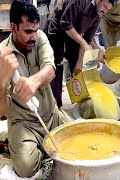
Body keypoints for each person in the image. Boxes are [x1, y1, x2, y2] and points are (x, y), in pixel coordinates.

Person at [0, 0, 73, 177]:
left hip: (51, 115)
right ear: (13, 27)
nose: (33, 36)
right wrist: (2, 82)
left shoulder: (39, 37)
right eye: (27, 31)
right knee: (25, 167)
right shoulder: (2, 54)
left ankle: (40, 146)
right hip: (23, 123)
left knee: (79, 139)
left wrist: (33, 81)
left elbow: (50, 69)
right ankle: (21, 144)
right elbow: (2, 111)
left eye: (35, 30)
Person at [44, 0, 115, 108]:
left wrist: (79, 64)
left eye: (108, 9)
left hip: (73, 34)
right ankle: (55, 105)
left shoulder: (98, 16)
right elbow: (65, 22)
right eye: (105, 6)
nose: (105, 11)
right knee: (56, 64)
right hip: (57, 28)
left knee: (77, 67)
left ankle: (81, 103)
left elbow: (87, 39)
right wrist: (83, 43)